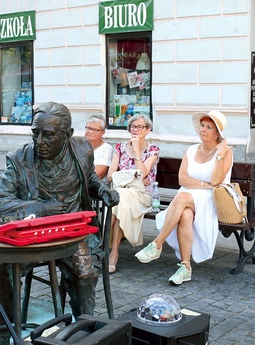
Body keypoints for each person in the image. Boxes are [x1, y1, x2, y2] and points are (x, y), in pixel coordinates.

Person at [0, 101, 119, 345]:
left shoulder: (82, 150)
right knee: (1, 268)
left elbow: (90, 180)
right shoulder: (19, 159)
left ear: (67, 135)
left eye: (48, 135)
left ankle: (85, 331)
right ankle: (0, 332)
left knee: (85, 272)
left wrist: (101, 190)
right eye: (35, 133)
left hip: (74, 234)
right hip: (34, 237)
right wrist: (41, 208)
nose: (39, 141)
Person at [135, 110, 233, 284]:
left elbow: (217, 181)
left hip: (210, 199)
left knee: (181, 198)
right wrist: (204, 184)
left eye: (209, 127)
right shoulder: (191, 149)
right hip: (189, 195)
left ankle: (157, 244)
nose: (203, 129)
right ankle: (185, 267)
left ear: (218, 133)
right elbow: (182, 179)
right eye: (202, 125)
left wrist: (220, 154)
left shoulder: (225, 152)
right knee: (185, 214)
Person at [106, 113, 159, 273]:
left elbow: (142, 174)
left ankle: (106, 249)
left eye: (140, 127)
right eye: (133, 126)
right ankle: (113, 252)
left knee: (119, 199)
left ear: (148, 130)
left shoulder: (153, 150)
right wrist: (133, 178)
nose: (136, 130)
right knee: (120, 200)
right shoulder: (119, 147)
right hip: (122, 193)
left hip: (143, 195)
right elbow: (110, 175)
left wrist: (136, 150)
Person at [84, 113, 114, 179]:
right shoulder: (78, 145)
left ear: (102, 133)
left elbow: (98, 175)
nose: (90, 132)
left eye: (95, 130)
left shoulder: (106, 149)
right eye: (89, 128)